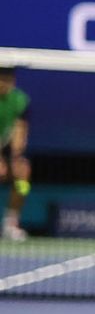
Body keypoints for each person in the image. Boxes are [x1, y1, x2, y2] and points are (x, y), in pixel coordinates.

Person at [0, 67, 27, 241]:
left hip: (5, 151)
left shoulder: (19, 100)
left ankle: (11, 222)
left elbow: (20, 129)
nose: (6, 84)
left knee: (23, 176)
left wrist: (16, 157)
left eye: (9, 80)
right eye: (2, 80)